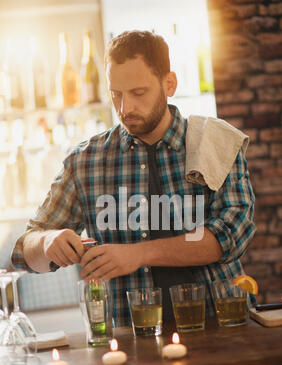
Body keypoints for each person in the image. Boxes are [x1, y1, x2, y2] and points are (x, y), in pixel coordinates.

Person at [11, 30, 256, 326]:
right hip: (129, 341)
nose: (125, 108)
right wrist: (48, 240)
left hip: (220, 326)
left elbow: (231, 234)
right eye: (116, 94)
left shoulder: (214, 143)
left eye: (138, 93)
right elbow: (25, 252)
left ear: (169, 84)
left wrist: (139, 254)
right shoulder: (84, 161)